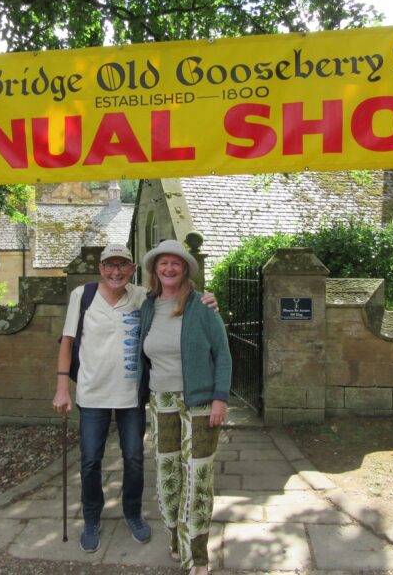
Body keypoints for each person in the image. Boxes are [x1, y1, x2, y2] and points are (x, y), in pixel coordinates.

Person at [52, 243, 217, 554]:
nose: (116, 272)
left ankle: (132, 514)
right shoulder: (83, 296)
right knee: (89, 461)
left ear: (132, 269)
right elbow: (67, 341)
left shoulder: (143, 297)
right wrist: (62, 388)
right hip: (91, 394)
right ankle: (91, 518)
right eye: (110, 266)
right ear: (101, 269)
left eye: (122, 266)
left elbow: (177, 300)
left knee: (134, 460)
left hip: (131, 397)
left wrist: (207, 301)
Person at [136, 239, 232, 575]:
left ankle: (199, 557)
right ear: (155, 270)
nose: (169, 269)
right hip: (161, 402)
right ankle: (176, 539)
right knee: (168, 475)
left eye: (176, 263)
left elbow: (223, 353)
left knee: (198, 478)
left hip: (201, 403)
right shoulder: (147, 305)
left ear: (185, 269)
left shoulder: (202, 306)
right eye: (163, 263)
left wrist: (220, 397)